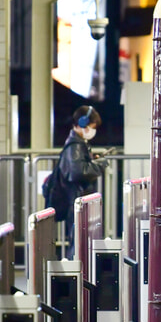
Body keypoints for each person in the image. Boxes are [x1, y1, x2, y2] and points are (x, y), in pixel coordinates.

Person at [54, 105, 108, 258]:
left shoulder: (78, 143)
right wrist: (99, 165)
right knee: (78, 239)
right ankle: (77, 272)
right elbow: (79, 172)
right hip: (75, 198)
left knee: (80, 238)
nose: (92, 131)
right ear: (82, 123)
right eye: (91, 127)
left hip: (76, 198)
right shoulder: (75, 146)